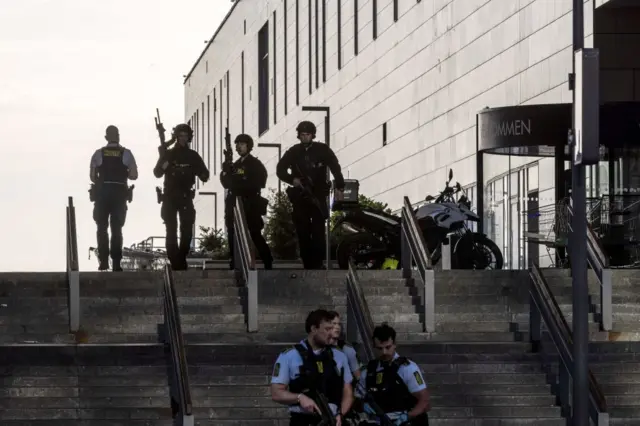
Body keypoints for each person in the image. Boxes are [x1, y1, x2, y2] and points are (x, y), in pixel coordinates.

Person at [276, 120, 346, 269]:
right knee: (302, 230)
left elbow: (335, 167)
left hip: (318, 195)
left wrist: (340, 186)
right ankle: (307, 263)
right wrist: (292, 179)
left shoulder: (322, 149)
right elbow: (280, 169)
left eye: (307, 134)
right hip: (300, 195)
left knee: (318, 230)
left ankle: (318, 262)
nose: (305, 137)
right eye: (302, 135)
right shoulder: (294, 151)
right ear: (299, 136)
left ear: (312, 135)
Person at [271, 308, 354, 426]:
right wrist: (299, 398)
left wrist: (340, 414)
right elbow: (276, 393)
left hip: (333, 420)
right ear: (314, 329)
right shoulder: (289, 356)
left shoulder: (339, 356)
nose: (331, 333)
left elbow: (347, 391)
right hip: (303, 419)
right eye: (327, 329)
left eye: (332, 328)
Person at [153, 123, 209, 270]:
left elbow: (204, 174)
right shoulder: (169, 154)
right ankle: (175, 259)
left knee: (187, 229)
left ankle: (181, 257)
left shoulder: (192, 156)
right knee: (171, 229)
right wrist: (166, 161)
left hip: (185, 195)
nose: (183, 138)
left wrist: (197, 171)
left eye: (186, 135)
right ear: (176, 136)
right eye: (180, 135)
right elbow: (157, 172)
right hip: (170, 196)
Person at [356, 324, 430, 425]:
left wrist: (407, 417)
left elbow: (424, 401)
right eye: (379, 348)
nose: (384, 352)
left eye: (388, 347)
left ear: (395, 344)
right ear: (373, 347)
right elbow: (356, 398)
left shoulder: (407, 368)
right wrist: (361, 405)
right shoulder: (369, 371)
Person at [220, 133, 273, 269]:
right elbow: (226, 183)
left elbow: (260, 181)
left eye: (242, 144)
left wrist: (242, 182)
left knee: (254, 232)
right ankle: (234, 260)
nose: (239, 147)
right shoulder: (235, 164)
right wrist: (226, 169)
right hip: (234, 203)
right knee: (232, 233)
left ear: (248, 146)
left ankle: (267, 260)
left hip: (250, 203)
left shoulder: (255, 164)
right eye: (237, 144)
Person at [89, 125, 138, 271]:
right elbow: (134, 175)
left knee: (101, 228)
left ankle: (103, 261)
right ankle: (116, 263)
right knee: (117, 229)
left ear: (106, 137)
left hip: (102, 195)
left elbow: (92, 177)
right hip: (119, 195)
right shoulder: (126, 153)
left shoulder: (98, 154)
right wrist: (125, 174)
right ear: (118, 136)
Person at [328, 311, 362, 380]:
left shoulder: (346, 349)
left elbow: (358, 376)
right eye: (334, 324)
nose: (337, 327)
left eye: (339, 324)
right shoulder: (321, 347)